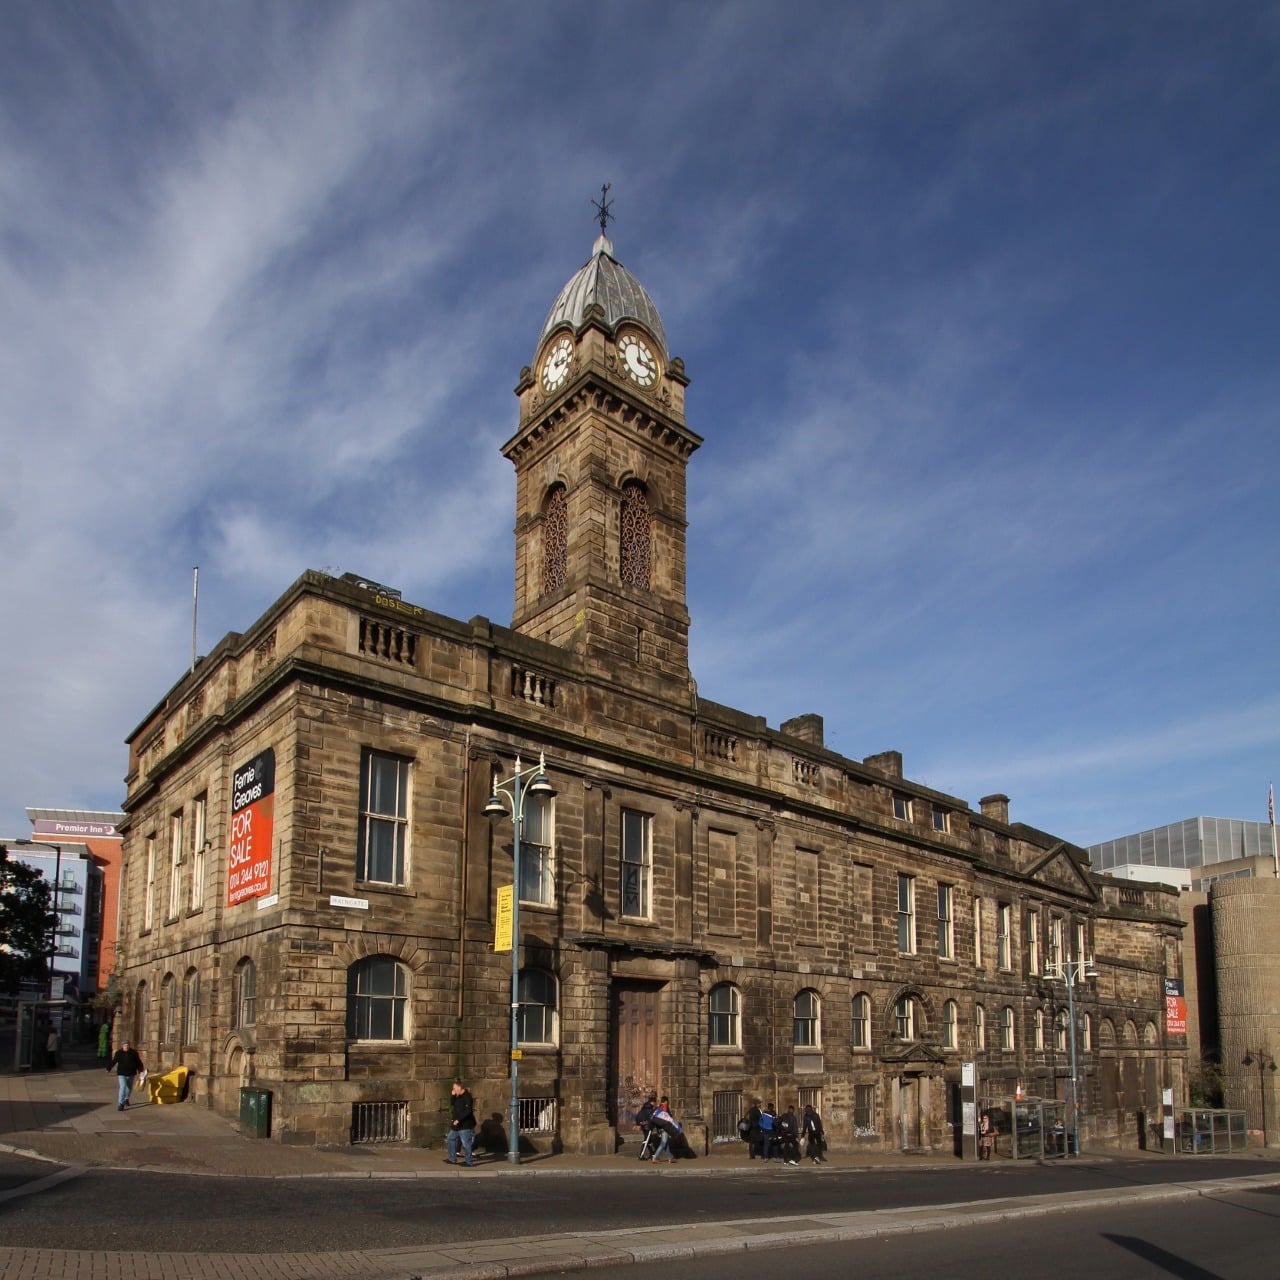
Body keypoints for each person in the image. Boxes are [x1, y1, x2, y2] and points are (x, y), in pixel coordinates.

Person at [106, 1039, 144, 1110]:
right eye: (125, 1045)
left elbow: (138, 1062)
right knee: (122, 1087)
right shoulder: (119, 1053)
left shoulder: (134, 1053)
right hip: (121, 1073)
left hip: (131, 1073)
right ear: (122, 1046)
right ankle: (120, 1104)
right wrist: (108, 1068)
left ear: (129, 1045)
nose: (126, 1046)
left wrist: (140, 1071)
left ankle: (126, 1098)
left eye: (127, 1045)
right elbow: (114, 1061)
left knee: (129, 1088)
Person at [446, 1080, 477, 1166]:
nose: (453, 1090)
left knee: (466, 1143)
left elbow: (468, 1111)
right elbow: (452, 1103)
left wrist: (459, 1119)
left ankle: (469, 1161)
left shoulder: (467, 1097)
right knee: (450, 1138)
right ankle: (452, 1158)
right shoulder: (457, 1096)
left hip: (465, 1125)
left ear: (460, 1088)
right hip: (457, 1125)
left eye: (454, 1088)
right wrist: (452, 1096)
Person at [648, 1096, 681, 1164]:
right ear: (666, 1101)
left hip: (660, 1128)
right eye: (667, 1101)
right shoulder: (665, 1107)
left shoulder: (658, 1108)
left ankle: (670, 1158)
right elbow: (668, 1118)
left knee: (666, 1143)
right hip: (665, 1128)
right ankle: (655, 1157)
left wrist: (658, 1131)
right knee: (663, 1143)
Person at [635, 1091, 658, 1159]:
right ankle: (641, 1155)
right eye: (654, 1103)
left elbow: (639, 1115)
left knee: (649, 1141)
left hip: (643, 1125)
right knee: (646, 1140)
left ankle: (652, 1154)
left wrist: (638, 1124)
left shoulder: (644, 1107)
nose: (654, 1104)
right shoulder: (649, 1109)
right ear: (652, 1102)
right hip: (647, 1126)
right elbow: (651, 1119)